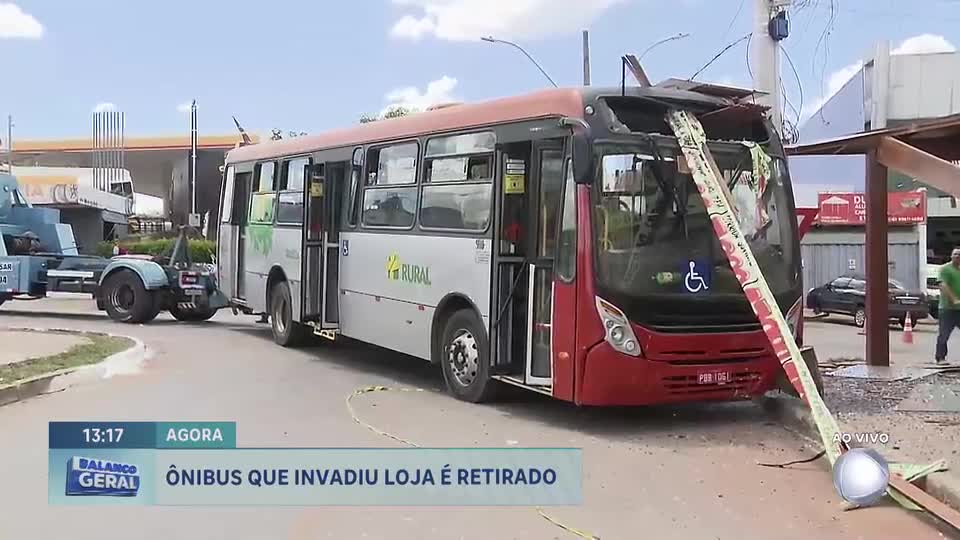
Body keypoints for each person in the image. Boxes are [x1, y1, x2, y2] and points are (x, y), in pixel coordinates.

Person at [935, 247, 960, 364]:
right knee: (944, 334)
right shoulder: (945, 269)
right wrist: (953, 299)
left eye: (959, 255)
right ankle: (940, 358)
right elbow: (943, 285)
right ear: (951, 256)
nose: (957, 256)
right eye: (955, 254)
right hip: (947, 309)